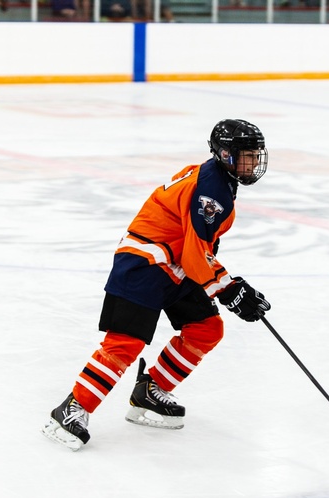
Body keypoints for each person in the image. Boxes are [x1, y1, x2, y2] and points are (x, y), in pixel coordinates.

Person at [42, 119, 272, 451]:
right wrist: (227, 287)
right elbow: (196, 253)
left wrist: (226, 285)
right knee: (126, 342)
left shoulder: (217, 178)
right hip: (144, 264)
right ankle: (71, 409)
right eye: (246, 156)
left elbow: (195, 248)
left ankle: (148, 393)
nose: (252, 164)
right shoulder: (213, 188)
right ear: (224, 154)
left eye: (255, 156)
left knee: (206, 327)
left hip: (175, 265)